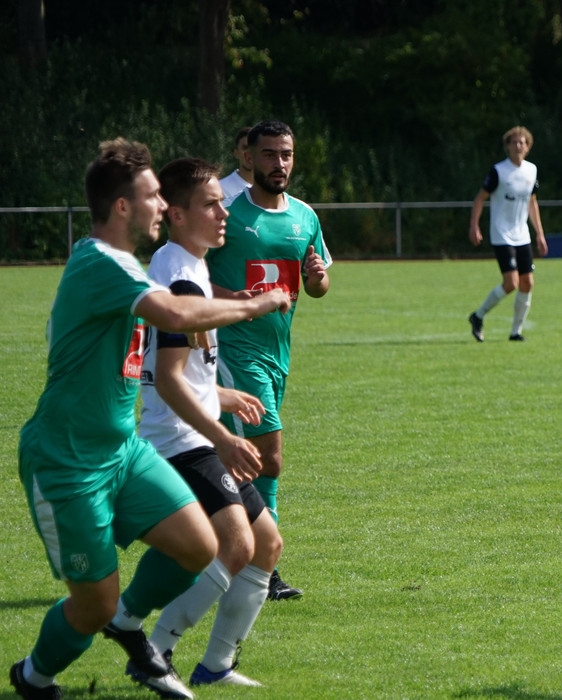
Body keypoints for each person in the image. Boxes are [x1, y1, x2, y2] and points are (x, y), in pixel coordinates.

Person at [9, 139, 290, 700]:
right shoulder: (102, 264)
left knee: (201, 545)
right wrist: (256, 304)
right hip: (69, 459)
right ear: (122, 206)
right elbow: (176, 316)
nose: (162, 205)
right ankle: (34, 676)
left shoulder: (128, 267)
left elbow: (152, 359)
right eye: (153, 196)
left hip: (123, 451)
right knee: (95, 604)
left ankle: (137, 633)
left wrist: (218, 397)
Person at [122, 157, 284, 696]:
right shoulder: (179, 277)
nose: (223, 213)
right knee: (235, 544)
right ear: (176, 214)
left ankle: (215, 665)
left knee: (266, 545)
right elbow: (169, 382)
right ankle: (155, 652)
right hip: (180, 442)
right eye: (211, 204)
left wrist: (222, 395)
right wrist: (224, 436)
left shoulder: (185, 266)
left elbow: (176, 374)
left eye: (221, 202)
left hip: (194, 432)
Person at [206, 119, 332, 601]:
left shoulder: (304, 216)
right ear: (248, 158)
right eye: (269, 154)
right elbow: (189, 278)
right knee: (269, 458)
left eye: (286, 154)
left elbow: (317, 287)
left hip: (278, 355)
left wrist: (317, 278)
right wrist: (236, 300)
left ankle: (230, 551)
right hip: (235, 352)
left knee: (247, 460)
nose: (279, 163)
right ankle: (261, 566)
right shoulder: (228, 214)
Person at [468, 125, 548, 342]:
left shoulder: (532, 170)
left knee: (527, 283)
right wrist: (474, 225)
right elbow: (479, 199)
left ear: (528, 146)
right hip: (501, 233)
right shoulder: (498, 171)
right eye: (514, 142)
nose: (518, 146)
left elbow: (532, 202)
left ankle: (515, 332)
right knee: (511, 283)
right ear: (508, 146)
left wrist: (539, 234)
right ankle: (478, 316)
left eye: (522, 142)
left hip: (522, 234)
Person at [219, 126, 253, 206]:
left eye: (253, 148)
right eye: (245, 148)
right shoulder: (220, 189)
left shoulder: (271, 188)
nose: (249, 153)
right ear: (236, 153)